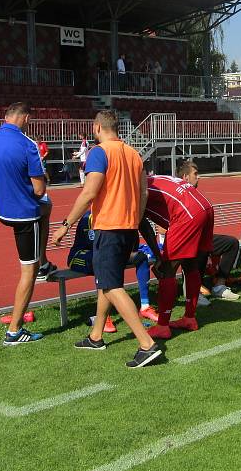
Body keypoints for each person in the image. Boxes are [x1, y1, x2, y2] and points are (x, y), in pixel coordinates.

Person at [52, 110, 162, 369]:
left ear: (97, 127)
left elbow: (90, 192)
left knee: (112, 286)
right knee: (107, 281)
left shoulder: (99, 153)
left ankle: (147, 344)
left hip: (109, 228)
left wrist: (65, 225)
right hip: (128, 227)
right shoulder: (133, 154)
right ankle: (96, 336)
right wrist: (134, 219)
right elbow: (143, 193)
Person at [0, 102, 55, 345]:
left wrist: (0, 192)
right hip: (23, 215)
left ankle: (42, 263)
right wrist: (22, 190)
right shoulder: (27, 145)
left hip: (1, 211)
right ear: (26, 118)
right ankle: (14, 331)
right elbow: (40, 190)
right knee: (27, 272)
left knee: (47, 207)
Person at [142, 169, 215, 340]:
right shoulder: (153, 178)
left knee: (167, 269)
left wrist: (159, 256)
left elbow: (142, 226)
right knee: (190, 265)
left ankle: (163, 326)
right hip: (204, 205)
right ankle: (189, 318)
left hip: (187, 213)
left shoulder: (134, 189)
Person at [67, 211, 159, 329]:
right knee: (102, 261)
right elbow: (97, 246)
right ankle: (104, 317)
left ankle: (145, 306)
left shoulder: (127, 214)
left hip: (111, 253)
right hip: (82, 255)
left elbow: (133, 242)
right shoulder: (91, 216)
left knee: (140, 257)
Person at [176, 161, 241, 300]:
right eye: (195, 174)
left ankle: (219, 286)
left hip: (202, 237)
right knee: (200, 248)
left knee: (231, 243)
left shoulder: (195, 194)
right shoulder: (177, 195)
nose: (198, 177)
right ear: (186, 177)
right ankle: (193, 291)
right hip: (185, 240)